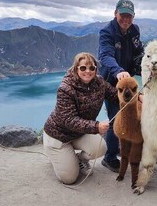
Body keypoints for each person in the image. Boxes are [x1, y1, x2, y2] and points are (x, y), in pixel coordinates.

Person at [43, 52, 118, 184]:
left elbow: (115, 95)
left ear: (96, 69)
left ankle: (78, 159)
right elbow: (68, 120)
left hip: (79, 133)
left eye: (92, 68)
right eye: (83, 68)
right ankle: (57, 155)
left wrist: (137, 97)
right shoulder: (65, 88)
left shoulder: (99, 82)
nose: (87, 71)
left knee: (100, 148)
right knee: (69, 178)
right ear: (76, 68)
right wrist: (96, 127)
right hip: (59, 136)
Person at [98, 0, 144, 173]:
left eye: (129, 16)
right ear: (115, 13)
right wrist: (118, 70)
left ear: (133, 17)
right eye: (123, 14)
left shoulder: (134, 30)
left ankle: (118, 148)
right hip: (111, 82)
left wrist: (145, 65)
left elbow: (139, 52)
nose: (126, 19)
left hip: (128, 82)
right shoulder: (107, 32)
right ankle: (109, 158)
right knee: (115, 118)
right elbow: (105, 55)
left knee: (130, 116)